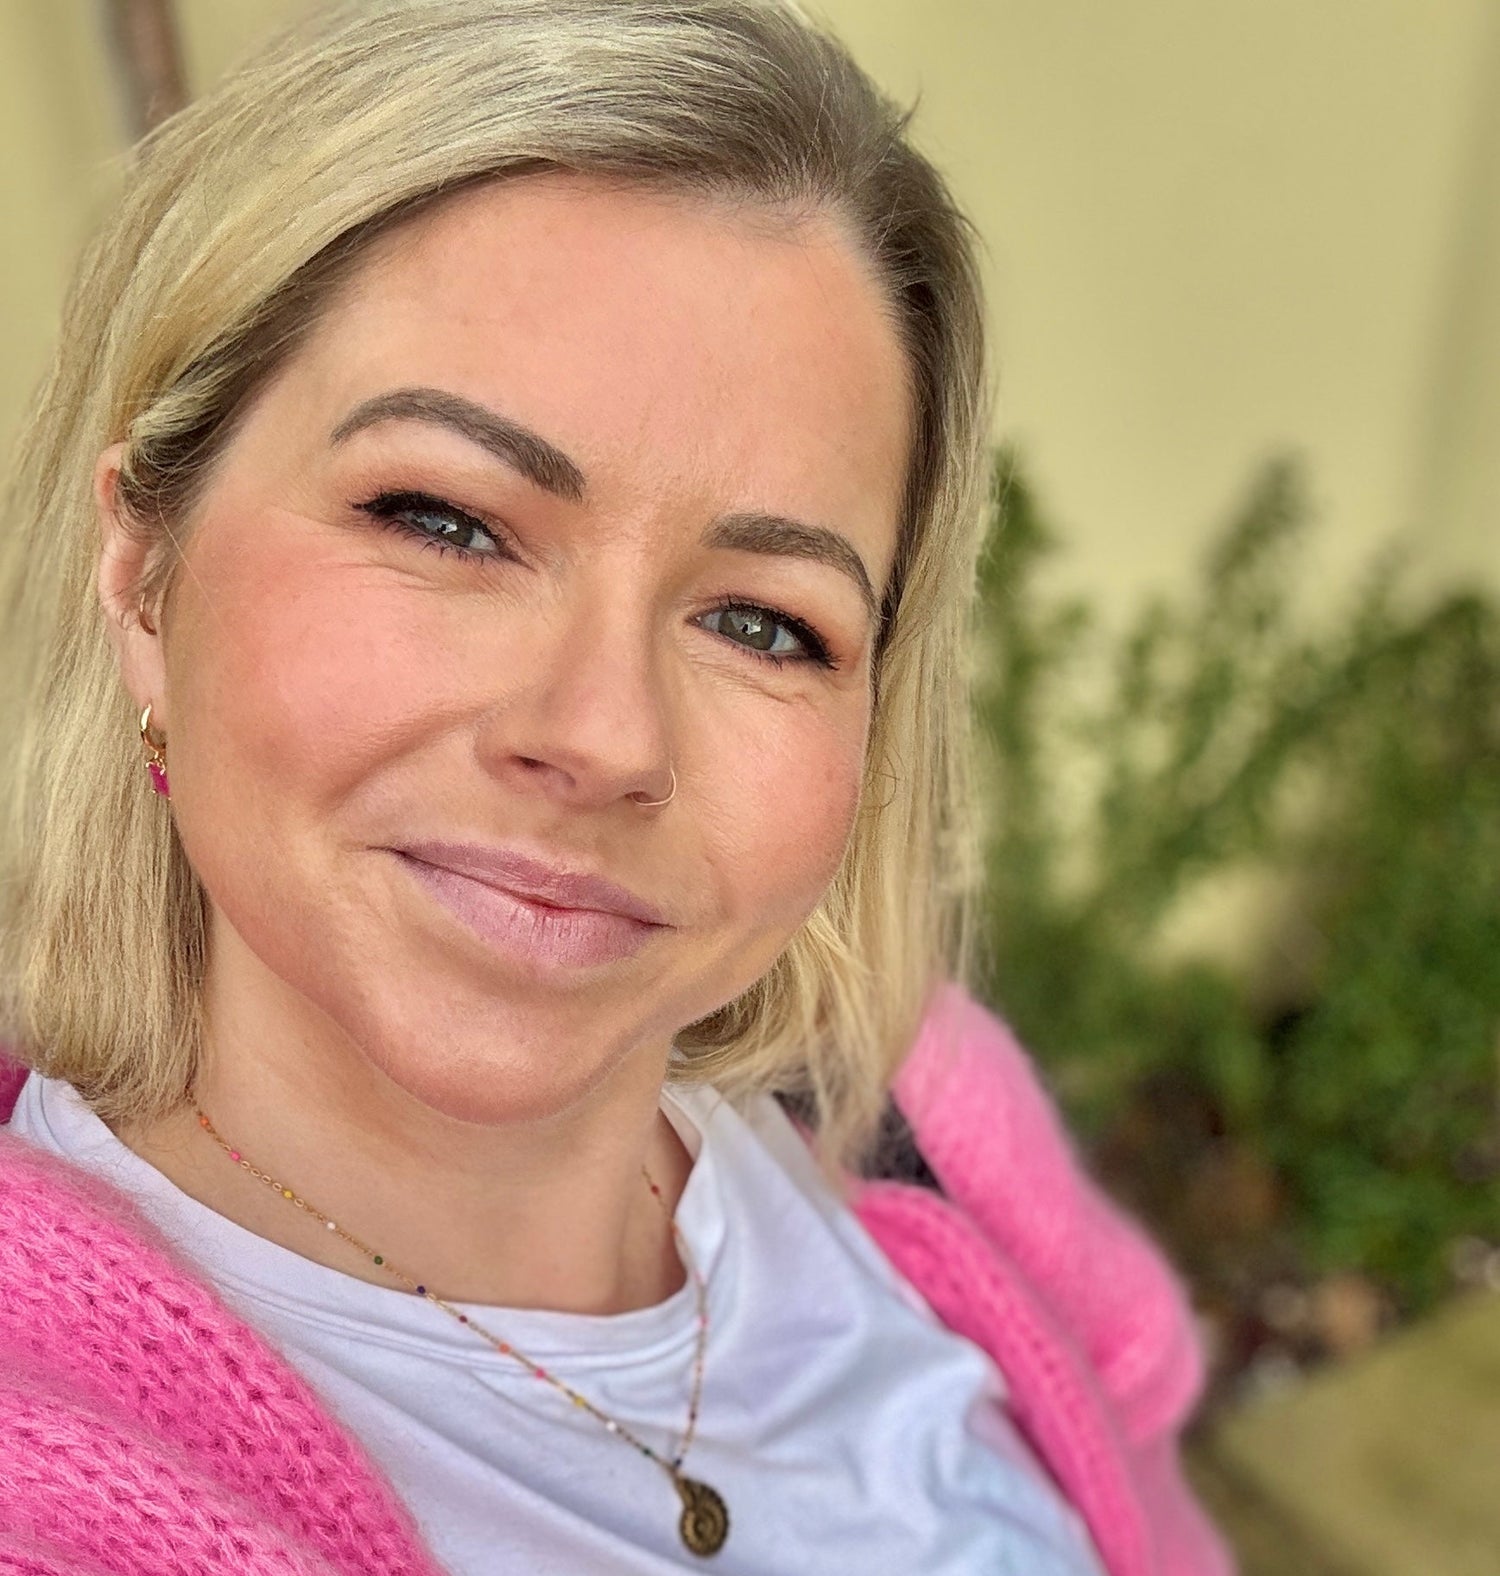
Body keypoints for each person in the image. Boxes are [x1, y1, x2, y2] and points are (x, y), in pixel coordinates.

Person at [0, 2, 1232, 1572]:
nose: (606, 738)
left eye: (764, 623)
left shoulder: (922, 1110)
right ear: (141, 572)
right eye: (447, 521)